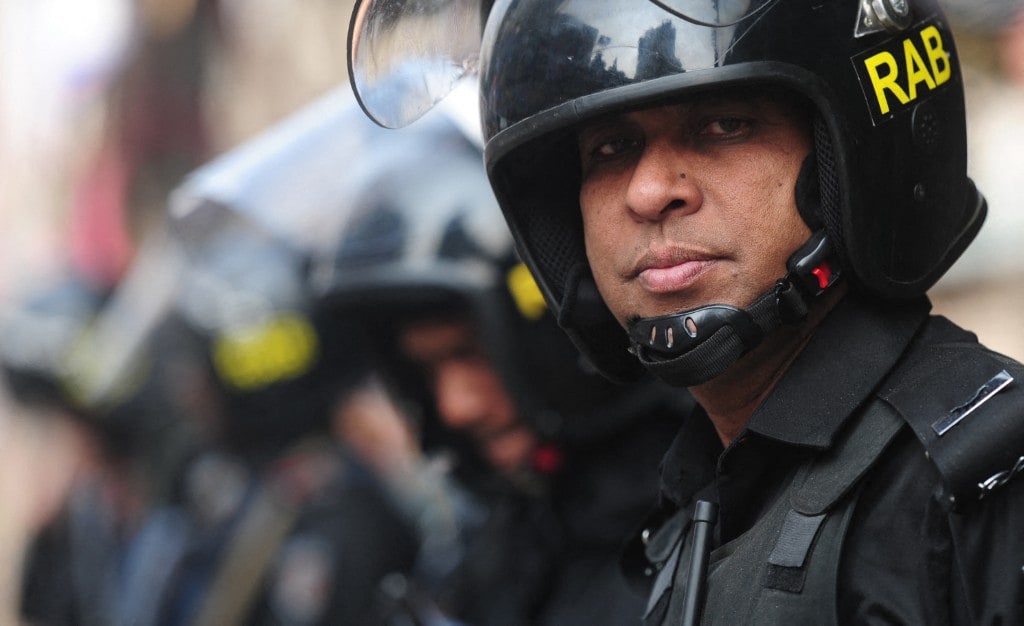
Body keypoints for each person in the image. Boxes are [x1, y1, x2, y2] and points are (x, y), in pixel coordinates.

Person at [346, 0, 1024, 623]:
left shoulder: (984, 483)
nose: (647, 191)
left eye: (723, 125)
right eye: (609, 149)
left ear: (848, 154)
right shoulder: (701, 502)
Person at [312, 91, 689, 625]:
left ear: (557, 324)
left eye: (470, 354)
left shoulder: (707, 533)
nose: (456, 407)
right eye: (426, 371)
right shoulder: (508, 535)